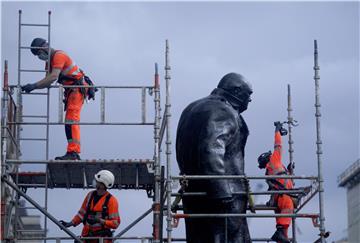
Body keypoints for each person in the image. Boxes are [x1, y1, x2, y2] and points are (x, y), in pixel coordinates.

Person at [176, 73, 253, 243]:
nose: (250, 100)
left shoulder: (191, 108)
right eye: (249, 95)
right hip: (222, 196)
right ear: (237, 91)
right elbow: (210, 150)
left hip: (194, 192)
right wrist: (222, 193)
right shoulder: (223, 111)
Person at [22, 37, 89, 160]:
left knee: (71, 120)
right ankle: (72, 151)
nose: (39, 57)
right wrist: (31, 86)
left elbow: (53, 77)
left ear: (44, 48)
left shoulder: (59, 56)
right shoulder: (49, 62)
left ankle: (73, 152)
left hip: (77, 89)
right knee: (69, 121)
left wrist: (34, 85)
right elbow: (47, 81)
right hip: (71, 91)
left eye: (39, 53)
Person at [59, 170, 120, 243]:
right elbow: (81, 214)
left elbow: (115, 223)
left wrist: (100, 220)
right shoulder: (90, 195)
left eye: (97, 181)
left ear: (103, 184)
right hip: (87, 237)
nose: (95, 182)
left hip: (102, 239)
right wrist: (71, 223)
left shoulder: (112, 201)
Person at [257, 122, 293, 243]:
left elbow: (280, 179)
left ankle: (282, 237)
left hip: (278, 198)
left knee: (283, 221)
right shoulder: (273, 160)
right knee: (288, 210)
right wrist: (277, 131)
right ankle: (280, 235)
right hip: (284, 196)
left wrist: (289, 171)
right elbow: (278, 145)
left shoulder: (270, 171)